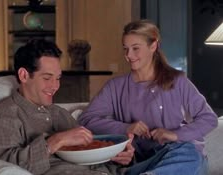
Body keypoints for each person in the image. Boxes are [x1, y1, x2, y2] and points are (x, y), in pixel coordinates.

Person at [78, 19, 218, 175]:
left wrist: (175, 134)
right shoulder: (115, 87)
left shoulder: (178, 81)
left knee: (190, 154)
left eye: (135, 48)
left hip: (182, 156)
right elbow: (86, 119)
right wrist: (126, 127)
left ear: (153, 46)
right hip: (144, 163)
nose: (129, 55)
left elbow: (209, 119)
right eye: (126, 48)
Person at [0, 39, 134, 175]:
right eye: (47, 78)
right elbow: (4, 167)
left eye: (58, 78)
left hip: (113, 172)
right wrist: (54, 142)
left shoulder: (59, 113)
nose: (55, 86)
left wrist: (119, 157)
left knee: (158, 157)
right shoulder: (4, 116)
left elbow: (89, 153)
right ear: (24, 75)